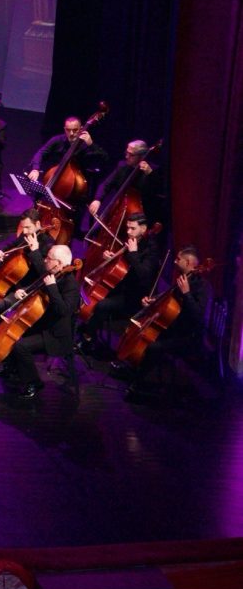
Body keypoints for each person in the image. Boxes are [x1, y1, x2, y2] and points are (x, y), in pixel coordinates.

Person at [121, 246, 210, 400]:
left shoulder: (203, 287)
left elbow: (198, 316)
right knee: (146, 334)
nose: (174, 262)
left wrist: (187, 294)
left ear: (188, 262)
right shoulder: (184, 278)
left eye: (178, 259)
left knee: (153, 346)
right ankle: (133, 370)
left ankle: (138, 383)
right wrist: (153, 301)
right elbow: (169, 301)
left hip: (188, 336)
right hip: (174, 328)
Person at [0, 244, 79, 398]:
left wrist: (52, 287)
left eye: (49, 258)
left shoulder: (70, 284)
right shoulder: (53, 274)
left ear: (59, 263)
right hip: (42, 324)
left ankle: (33, 382)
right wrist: (24, 292)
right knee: (14, 332)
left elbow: (64, 311)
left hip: (55, 335)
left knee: (20, 346)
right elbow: (39, 294)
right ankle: (11, 368)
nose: (45, 260)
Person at [78, 212, 160, 350]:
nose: (128, 232)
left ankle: (88, 339)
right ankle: (88, 327)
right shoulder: (133, 239)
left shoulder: (152, 250)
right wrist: (112, 257)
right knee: (91, 293)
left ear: (143, 229)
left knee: (102, 305)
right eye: (128, 228)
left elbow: (143, 275)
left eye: (132, 228)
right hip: (122, 286)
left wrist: (133, 253)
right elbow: (123, 266)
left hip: (135, 296)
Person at [88, 139, 166, 227]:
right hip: (119, 211)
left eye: (131, 155)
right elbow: (106, 184)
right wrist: (97, 199)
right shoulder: (122, 166)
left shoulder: (153, 171)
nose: (126, 156)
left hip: (142, 218)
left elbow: (158, 191)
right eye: (126, 152)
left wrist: (150, 174)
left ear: (141, 156)